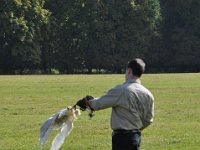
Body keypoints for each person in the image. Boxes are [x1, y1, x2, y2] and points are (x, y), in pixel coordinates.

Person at [76, 58, 154, 150]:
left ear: (129, 71)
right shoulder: (148, 94)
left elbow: (99, 104)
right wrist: (136, 129)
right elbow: (148, 120)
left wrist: (87, 102)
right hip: (136, 137)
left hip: (122, 139)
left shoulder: (122, 90)